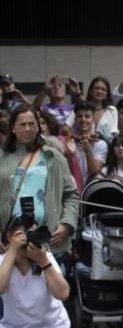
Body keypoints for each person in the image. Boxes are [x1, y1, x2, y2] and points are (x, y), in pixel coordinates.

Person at [0, 105, 79, 261]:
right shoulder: (2, 157)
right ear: (13, 128)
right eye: (22, 125)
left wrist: (67, 224)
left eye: (32, 124)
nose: (28, 128)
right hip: (8, 240)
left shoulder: (54, 156)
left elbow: (71, 195)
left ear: (38, 127)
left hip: (47, 239)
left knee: (50, 285)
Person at [0, 216, 71, 328]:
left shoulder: (45, 258)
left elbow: (63, 294)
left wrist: (43, 262)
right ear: (10, 236)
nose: (27, 239)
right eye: (21, 234)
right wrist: (12, 251)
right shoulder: (2, 261)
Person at [66, 77, 118, 142]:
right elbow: (65, 129)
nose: (99, 91)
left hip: (104, 150)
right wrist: (77, 137)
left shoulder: (111, 111)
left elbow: (113, 134)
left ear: (107, 94)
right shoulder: (81, 108)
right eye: (97, 88)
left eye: (103, 89)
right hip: (80, 147)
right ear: (90, 91)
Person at [68, 103, 108, 184]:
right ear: (75, 119)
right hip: (71, 185)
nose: (83, 119)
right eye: (80, 116)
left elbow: (93, 173)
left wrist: (88, 151)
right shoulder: (68, 141)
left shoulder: (101, 144)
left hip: (91, 187)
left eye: (87, 116)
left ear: (93, 120)